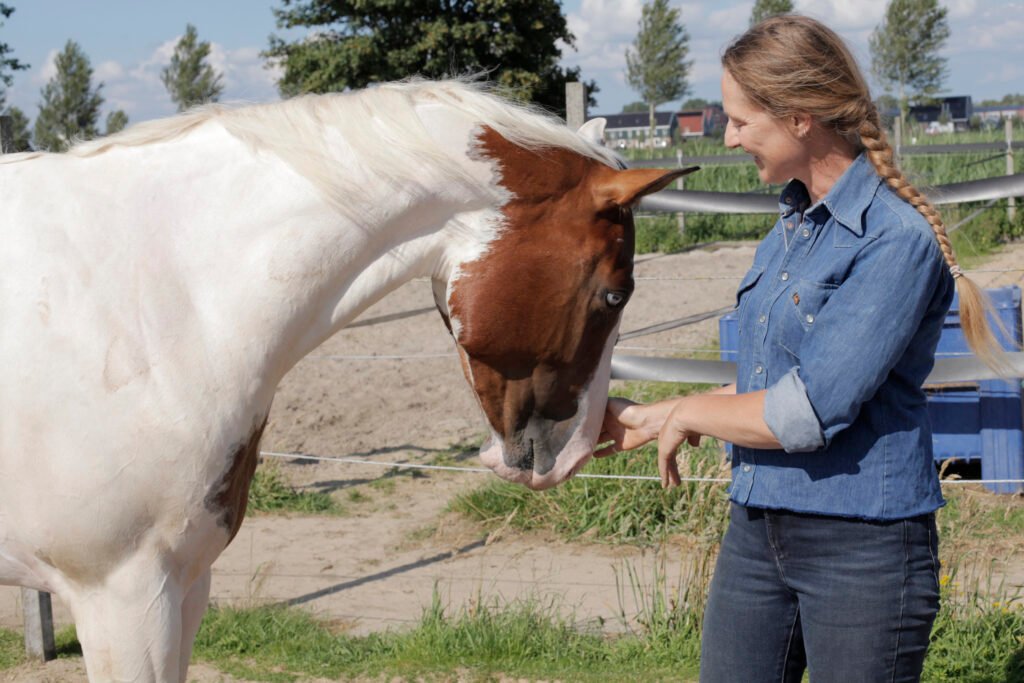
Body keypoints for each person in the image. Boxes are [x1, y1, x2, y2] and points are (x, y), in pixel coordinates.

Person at [597, 14, 1005, 683]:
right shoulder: (790, 230)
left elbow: (807, 410)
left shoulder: (893, 241)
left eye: (738, 120)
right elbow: (776, 379)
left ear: (799, 117)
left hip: (862, 547)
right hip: (757, 531)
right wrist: (653, 415)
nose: (727, 138)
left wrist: (691, 412)